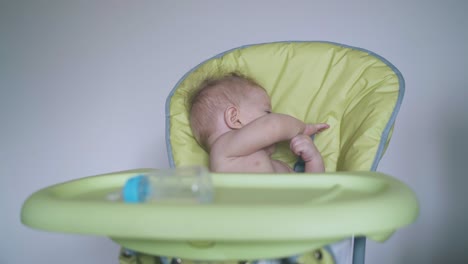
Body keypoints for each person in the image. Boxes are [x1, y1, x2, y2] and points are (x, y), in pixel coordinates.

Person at [189, 72, 329, 173]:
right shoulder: (222, 150)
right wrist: (302, 128)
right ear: (234, 118)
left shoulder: (278, 166)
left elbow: (309, 192)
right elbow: (273, 126)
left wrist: (313, 160)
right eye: (267, 113)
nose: (272, 116)